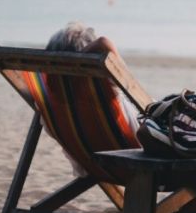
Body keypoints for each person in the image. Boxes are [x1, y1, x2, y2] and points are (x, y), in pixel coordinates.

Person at [45, 21, 140, 176]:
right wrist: (81, 58)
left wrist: (67, 62)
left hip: (90, 162)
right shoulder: (106, 86)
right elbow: (104, 42)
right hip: (139, 158)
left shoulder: (49, 97)